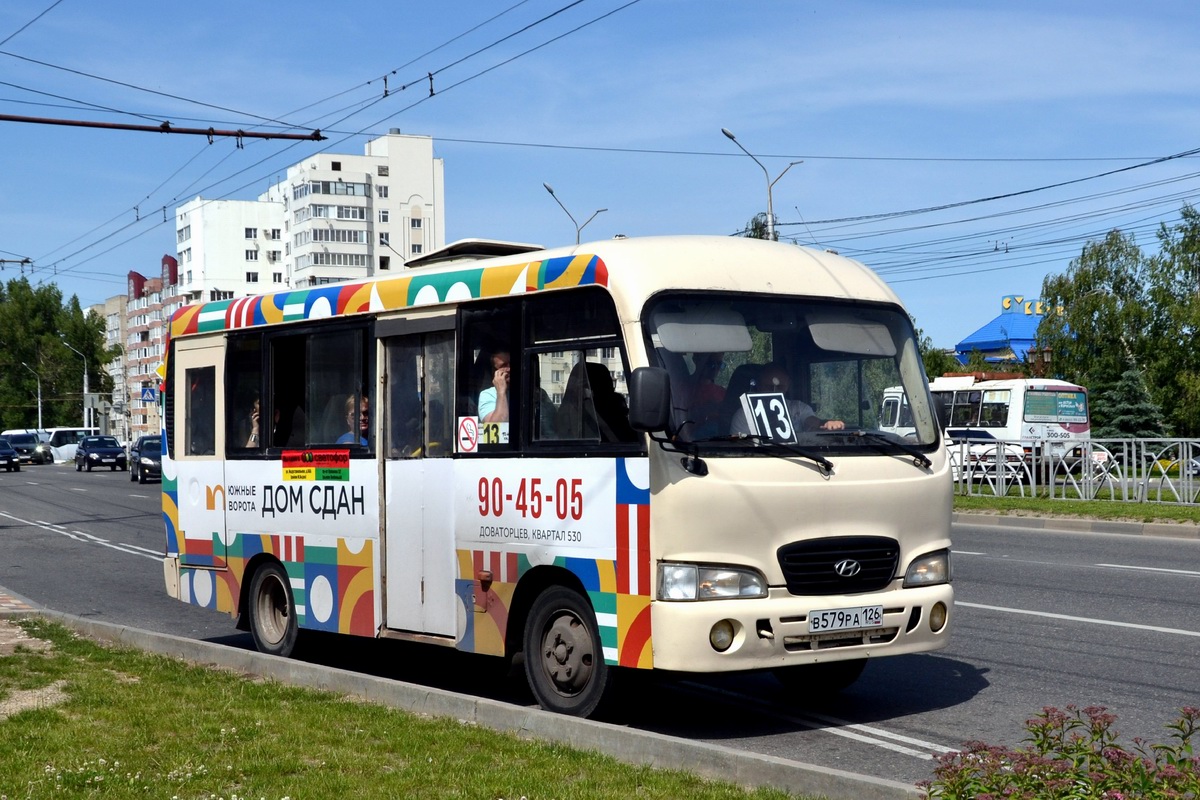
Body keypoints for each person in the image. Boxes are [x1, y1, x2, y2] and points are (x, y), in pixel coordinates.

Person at [729, 362, 845, 437]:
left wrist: (827, 423)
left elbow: (813, 421)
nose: (774, 391)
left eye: (780, 387)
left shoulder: (799, 408)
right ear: (758, 385)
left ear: (788, 386)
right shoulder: (744, 414)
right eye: (769, 386)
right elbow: (741, 451)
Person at [477, 350, 510, 423]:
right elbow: (496, 426)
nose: (509, 369)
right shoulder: (487, 395)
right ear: (494, 371)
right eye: (504, 366)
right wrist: (501, 392)